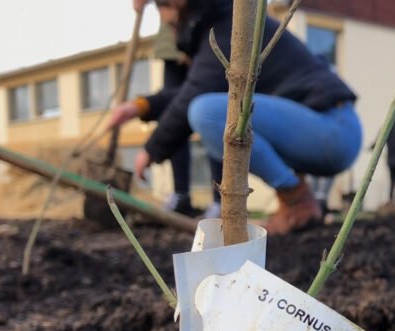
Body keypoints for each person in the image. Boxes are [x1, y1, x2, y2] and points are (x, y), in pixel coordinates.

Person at [110, 0, 361, 235]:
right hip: (328, 129)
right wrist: (140, 106)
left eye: (171, 22)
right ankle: (295, 203)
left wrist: (151, 149)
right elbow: (194, 87)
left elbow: (196, 93)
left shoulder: (228, 26)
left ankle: (297, 200)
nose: (170, 29)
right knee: (208, 106)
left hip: (332, 129)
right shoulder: (222, 20)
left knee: (205, 112)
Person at [132, 0, 224, 219]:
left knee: (215, 109)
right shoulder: (171, 26)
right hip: (173, 35)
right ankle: (181, 195)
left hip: (208, 24)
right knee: (175, 111)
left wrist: (152, 148)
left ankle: (222, 200)